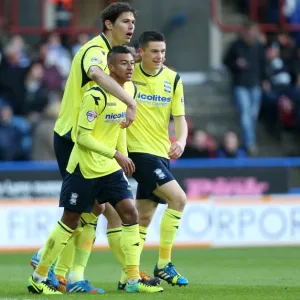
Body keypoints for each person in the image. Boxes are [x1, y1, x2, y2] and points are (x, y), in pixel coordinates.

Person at [27, 46, 163, 295]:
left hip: (109, 169)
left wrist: (122, 161)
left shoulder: (127, 93)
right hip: (84, 168)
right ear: (110, 68)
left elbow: (120, 129)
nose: (130, 67)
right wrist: (116, 154)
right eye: (123, 63)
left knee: (129, 213)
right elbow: (82, 137)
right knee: (71, 220)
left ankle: (133, 279)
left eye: (132, 62)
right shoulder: (95, 96)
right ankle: (39, 275)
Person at [104, 30, 189, 288]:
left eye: (162, 51)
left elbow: (180, 118)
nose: (159, 56)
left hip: (162, 153)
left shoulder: (173, 79)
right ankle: (163, 264)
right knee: (178, 198)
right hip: (138, 153)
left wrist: (181, 141)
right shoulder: (128, 75)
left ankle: (127, 277)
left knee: (143, 219)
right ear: (140, 52)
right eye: (154, 51)